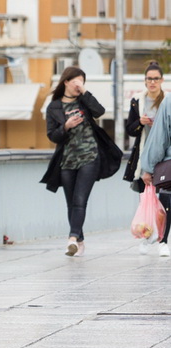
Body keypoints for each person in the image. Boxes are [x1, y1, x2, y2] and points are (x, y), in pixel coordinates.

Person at [42, 66, 106, 257]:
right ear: (66, 82)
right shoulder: (54, 107)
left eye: (82, 81)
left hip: (89, 157)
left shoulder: (85, 102)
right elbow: (52, 135)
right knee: (71, 202)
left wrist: (85, 92)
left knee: (80, 199)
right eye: (76, 81)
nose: (79, 85)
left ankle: (71, 238)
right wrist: (66, 126)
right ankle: (79, 241)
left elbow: (100, 111)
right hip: (67, 160)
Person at [124, 61, 168, 255]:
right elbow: (130, 130)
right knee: (146, 198)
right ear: (145, 81)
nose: (152, 82)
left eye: (155, 78)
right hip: (143, 155)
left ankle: (163, 237)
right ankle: (147, 235)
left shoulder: (166, 101)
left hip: (164, 155)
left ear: (162, 80)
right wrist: (140, 123)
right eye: (149, 79)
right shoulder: (137, 101)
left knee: (164, 200)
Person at [140, 71, 171, 258]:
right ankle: (163, 241)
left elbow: (159, 138)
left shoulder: (168, 103)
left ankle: (164, 241)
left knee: (167, 201)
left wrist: (149, 168)